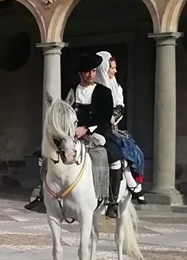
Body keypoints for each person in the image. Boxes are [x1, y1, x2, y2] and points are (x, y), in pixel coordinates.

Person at [25, 53, 125, 218]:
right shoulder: (71, 90)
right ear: (80, 73)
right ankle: (43, 195)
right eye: (87, 72)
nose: (91, 74)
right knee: (45, 155)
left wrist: (86, 128)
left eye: (93, 71)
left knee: (114, 157)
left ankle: (112, 201)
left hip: (98, 132)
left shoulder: (104, 92)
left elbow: (105, 115)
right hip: (71, 133)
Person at [94, 51, 147, 206]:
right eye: (112, 68)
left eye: (115, 68)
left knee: (130, 150)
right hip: (95, 129)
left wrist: (113, 115)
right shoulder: (94, 89)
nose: (115, 71)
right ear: (104, 69)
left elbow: (120, 106)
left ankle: (124, 190)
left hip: (111, 128)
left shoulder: (116, 87)